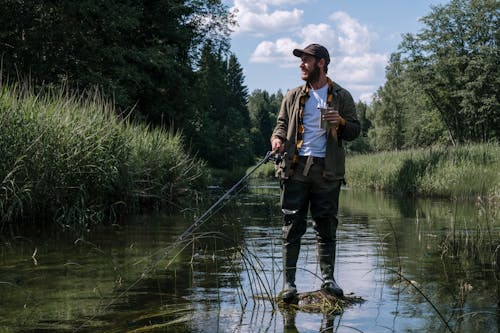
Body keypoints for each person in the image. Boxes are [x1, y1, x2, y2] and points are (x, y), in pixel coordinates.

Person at [270, 43, 360, 303]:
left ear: (321, 63)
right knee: (291, 226)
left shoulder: (342, 96)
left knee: (326, 226)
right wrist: (277, 139)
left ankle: (328, 281)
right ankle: (289, 285)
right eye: (301, 60)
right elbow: (280, 125)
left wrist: (340, 122)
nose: (301, 64)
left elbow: (355, 130)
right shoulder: (293, 95)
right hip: (294, 168)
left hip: (327, 171)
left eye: (306, 60)